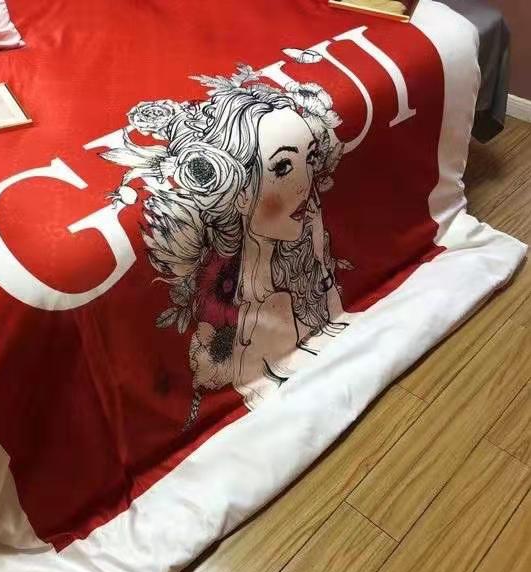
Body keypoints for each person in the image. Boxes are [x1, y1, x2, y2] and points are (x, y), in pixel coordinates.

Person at [103, 65, 353, 423]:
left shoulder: (305, 249)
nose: (305, 183)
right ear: (238, 192)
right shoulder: (226, 295)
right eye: (283, 167)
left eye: (309, 158)